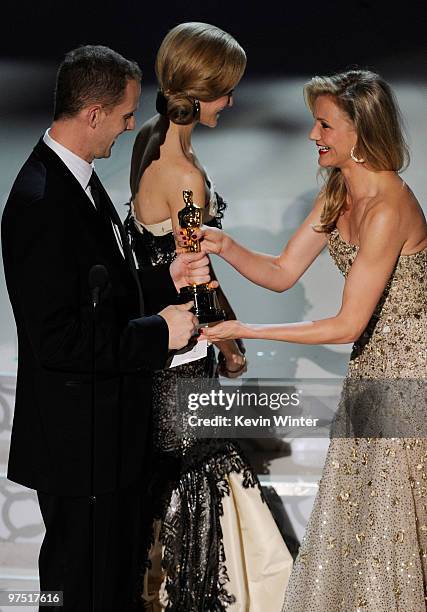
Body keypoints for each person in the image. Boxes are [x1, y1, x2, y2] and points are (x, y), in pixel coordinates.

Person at [189, 69, 427, 610]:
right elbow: (280, 271)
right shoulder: (338, 192)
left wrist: (245, 328)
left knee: (391, 521)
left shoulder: (388, 206)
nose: (312, 136)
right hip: (373, 371)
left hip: (411, 377)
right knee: (362, 516)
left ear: (360, 131)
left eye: (323, 125)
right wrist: (224, 245)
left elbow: (346, 324)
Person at [1, 44, 210, 612]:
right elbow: (59, 340)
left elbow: (103, 294)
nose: (130, 126)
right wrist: (156, 335)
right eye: (123, 115)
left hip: (107, 440)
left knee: (111, 585)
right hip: (79, 447)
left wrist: (165, 280)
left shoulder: (80, 181)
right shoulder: (40, 201)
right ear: (92, 113)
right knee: (75, 589)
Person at [125, 22, 293, 612]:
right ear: (199, 94)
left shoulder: (150, 141)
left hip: (159, 347)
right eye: (225, 91)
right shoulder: (187, 179)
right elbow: (198, 272)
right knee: (198, 479)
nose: (231, 102)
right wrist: (231, 345)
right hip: (183, 354)